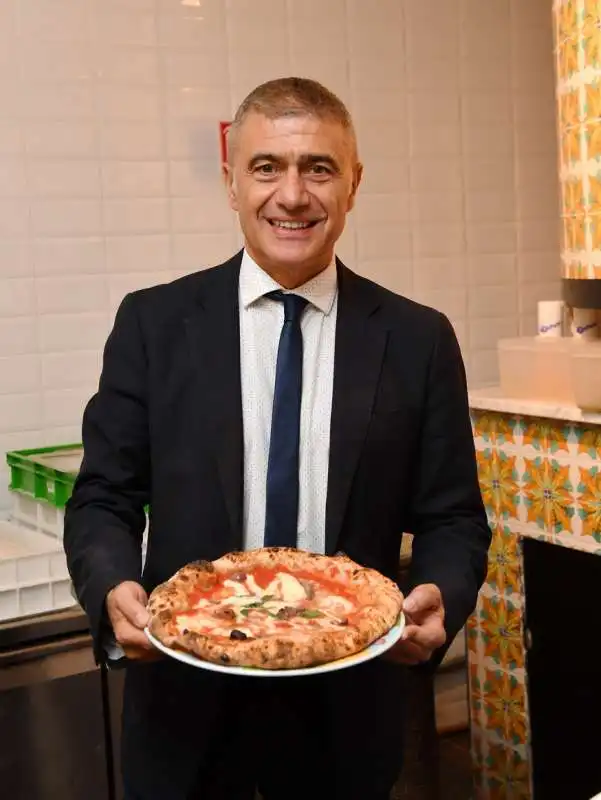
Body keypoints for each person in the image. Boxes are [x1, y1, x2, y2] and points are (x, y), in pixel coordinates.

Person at [64, 77, 491, 800]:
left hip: (347, 722)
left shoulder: (417, 339)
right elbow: (104, 496)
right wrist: (111, 588)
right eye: (267, 167)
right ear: (232, 181)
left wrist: (440, 595)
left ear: (352, 184)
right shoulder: (153, 324)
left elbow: (451, 518)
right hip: (182, 721)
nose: (291, 195)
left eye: (317, 168)